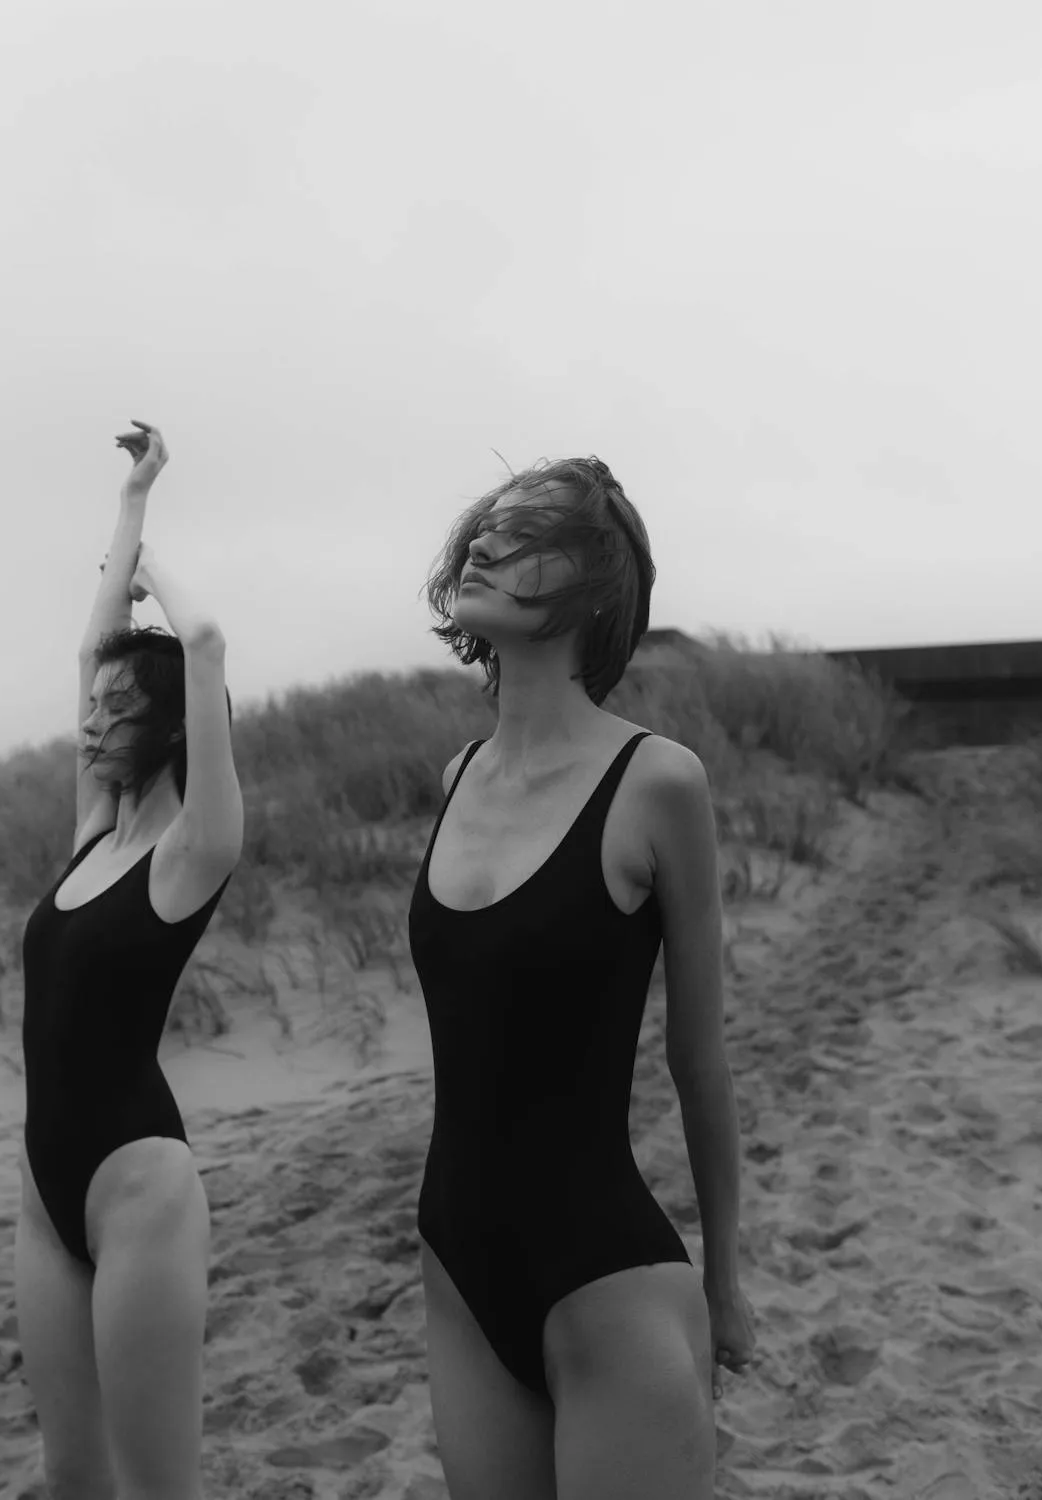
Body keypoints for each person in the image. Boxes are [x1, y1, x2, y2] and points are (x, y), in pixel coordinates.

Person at [408, 456, 755, 1499]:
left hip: (606, 1281)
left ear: (594, 584)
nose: (484, 541)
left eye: (523, 533)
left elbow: (700, 1058)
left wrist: (727, 1286)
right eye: (487, 523)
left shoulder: (657, 782)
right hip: (457, 1266)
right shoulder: (456, 776)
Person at [15, 422, 242, 1500]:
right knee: (74, 1480)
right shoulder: (93, 835)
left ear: (168, 733)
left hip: (140, 1188)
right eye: (93, 712)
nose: (91, 725)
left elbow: (200, 645)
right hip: (43, 1182)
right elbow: (90, 652)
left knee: (159, 1489)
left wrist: (156, 570)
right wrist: (134, 501)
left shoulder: (195, 852)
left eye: (116, 713)